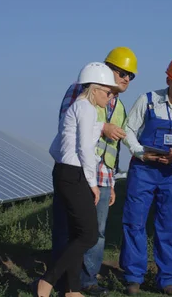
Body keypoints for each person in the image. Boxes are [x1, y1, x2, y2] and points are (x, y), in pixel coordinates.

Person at [51, 47, 138, 296]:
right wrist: (103, 128)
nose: (126, 79)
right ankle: (59, 281)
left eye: (131, 75)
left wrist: (109, 182)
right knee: (67, 229)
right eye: (122, 72)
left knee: (95, 233)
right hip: (77, 172)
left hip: (101, 177)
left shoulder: (119, 106)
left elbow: (113, 150)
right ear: (107, 68)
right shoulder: (81, 91)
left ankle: (86, 281)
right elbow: (68, 130)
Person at [35, 62, 118, 297]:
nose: (110, 97)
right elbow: (84, 149)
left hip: (65, 171)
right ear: (94, 88)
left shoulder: (80, 108)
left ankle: (72, 290)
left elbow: (60, 143)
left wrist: (101, 126)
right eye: (108, 92)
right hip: (74, 174)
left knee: (76, 233)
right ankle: (47, 281)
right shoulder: (87, 109)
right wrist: (92, 184)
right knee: (89, 234)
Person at [120, 55, 172, 296]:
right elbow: (128, 130)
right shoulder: (148, 100)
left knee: (170, 226)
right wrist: (141, 153)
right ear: (169, 80)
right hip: (143, 170)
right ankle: (133, 277)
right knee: (134, 222)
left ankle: (166, 279)